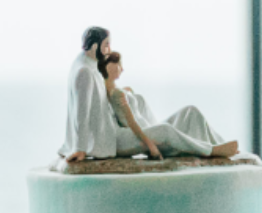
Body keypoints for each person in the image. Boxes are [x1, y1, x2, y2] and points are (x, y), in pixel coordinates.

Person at [99, 48, 240, 161]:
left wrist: (128, 92)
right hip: (144, 134)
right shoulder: (116, 94)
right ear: (109, 67)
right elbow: (132, 123)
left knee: (190, 111)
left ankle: (218, 142)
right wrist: (151, 146)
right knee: (166, 130)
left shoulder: (119, 91)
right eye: (119, 65)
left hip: (149, 125)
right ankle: (210, 150)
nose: (122, 69)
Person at [62, 26, 120, 163]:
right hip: (103, 140)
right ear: (95, 46)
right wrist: (80, 148)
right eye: (106, 44)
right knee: (165, 133)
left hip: (106, 133)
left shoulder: (86, 64)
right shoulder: (85, 71)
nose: (109, 50)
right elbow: (81, 113)